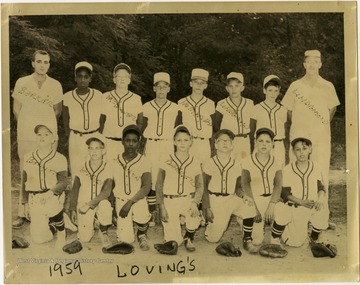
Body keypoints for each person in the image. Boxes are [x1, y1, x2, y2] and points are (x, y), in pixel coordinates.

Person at [12, 50, 63, 228]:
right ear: (33, 63)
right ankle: (22, 213)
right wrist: (27, 125)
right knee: (26, 172)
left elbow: (57, 111)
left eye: (46, 62)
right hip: (27, 136)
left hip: (48, 137)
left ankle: (48, 213)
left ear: (49, 64)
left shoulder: (55, 85)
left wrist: (45, 129)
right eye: (39, 61)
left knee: (48, 173)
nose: (43, 65)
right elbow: (16, 109)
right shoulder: (22, 82)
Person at [281, 50, 340, 192]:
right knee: (296, 169)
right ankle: (297, 207)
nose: (312, 64)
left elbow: (332, 109)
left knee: (320, 169)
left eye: (315, 61)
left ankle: (321, 209)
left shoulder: (327, 85)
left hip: (321, 137)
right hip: (299, 135)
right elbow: (288, 110)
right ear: (304, 64)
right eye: (309, 61)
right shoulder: (295, 86)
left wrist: (320, 125)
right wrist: (300, 123)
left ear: (320, 64)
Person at [202, 129, 258, 253]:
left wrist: (244, 196)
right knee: (213, 239)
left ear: (232, 145)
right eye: (221, 140)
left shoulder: (237, 164)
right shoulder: (209, 163)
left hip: (231, 198)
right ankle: (209, 225)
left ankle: (247, 239)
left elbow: (238, 188)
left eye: (227, 141)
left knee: (249, 205)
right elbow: (204, 188)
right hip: (215, 200)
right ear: (215, 144)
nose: (225, 143)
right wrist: (206, 207)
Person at [269, 137, 329, 247]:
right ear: (293, 152)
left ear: (310, 149)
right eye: (298, 150)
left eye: (304, 148)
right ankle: (275, 236)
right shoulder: (287, 169)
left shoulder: (316, 166)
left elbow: (321, 187)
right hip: (295, 207)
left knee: (323, 208)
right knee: (294, 243)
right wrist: (301, 202)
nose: (301, 153)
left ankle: (314, 238)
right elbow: (284, 193)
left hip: (311, 205)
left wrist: (320, 199)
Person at [156, 125, 203, 252]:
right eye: (179, 140)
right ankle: (176, 236)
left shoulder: (195, 161)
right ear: (174, 141)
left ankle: (189, 236)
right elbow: (159, 185)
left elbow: (199, 186)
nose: (182, 143)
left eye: (186, 140)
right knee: (174, 241)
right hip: (170, 200)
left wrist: (195, 203)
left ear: (191, 141)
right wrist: (161, 206)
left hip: (188, 199)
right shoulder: (165, 159)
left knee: (193, 218)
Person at [142, 72, 180, 226]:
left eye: (165, 87)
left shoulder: (175, 108)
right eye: (159, 87)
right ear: (154, 88)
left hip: (167, 144)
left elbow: (178, 129)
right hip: (151, 143)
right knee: (151, 177)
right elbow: (142, 126)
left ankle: (166, 210)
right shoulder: (146, 106)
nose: (161, 90)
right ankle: (152, 213)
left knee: (166, 176)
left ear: (169, 89)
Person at [21, 125, 67, 248]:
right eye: (39, 134)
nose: (42, 137)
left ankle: (62, 231)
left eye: (46, 134)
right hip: (34, 197)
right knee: (39, 239)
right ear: (35, 138)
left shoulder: (60, 158)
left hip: (53, 195)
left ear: (53, 139)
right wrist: (25, 203)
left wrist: (49, 194)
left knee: (51, 205)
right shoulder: (27, 157)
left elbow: (63, 182)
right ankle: (55, 225)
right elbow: (24, 182)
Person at [66, 135, 113, 250]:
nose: (94, 151)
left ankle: (103, 231)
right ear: (88, 150)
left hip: (99, 203)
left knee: (105, 205)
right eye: (91, 148)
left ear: (103, 150)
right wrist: (72, 209)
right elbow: (75, 190)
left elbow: (106, 192)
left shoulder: (109, 168)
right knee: (85, 238)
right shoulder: (81, 167)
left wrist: (89, 205)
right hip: (83, 203)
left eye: (97, 148)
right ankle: (91, 224)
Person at [112, 125, 151, 251]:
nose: (130, 144)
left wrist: (130, 202)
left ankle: (141, 234)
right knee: (126, 240)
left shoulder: (144, 161)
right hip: (121, 199)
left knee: (142, 213)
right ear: (122, 141)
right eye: (127, 140)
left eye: (134, 141)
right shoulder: (114, 160)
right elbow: (110, 184)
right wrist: (113, 205)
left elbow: (146, 187)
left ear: (139, 143)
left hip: (137, 199)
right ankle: (125, 229)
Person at [241, 128, 283, 245]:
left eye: (267, 141)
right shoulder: (247, 161)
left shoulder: (277, 161)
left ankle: (275, 239)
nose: (264, 144)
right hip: (255, 198)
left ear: (273, 144)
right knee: (257, 241)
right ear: (255, 142)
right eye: (260, 141)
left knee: (283, 209)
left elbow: (278, 184)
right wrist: (255, 208)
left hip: (271, 199)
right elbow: (245, 184)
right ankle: (247, 235)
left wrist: (272, 204)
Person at [63, 61, 103, 176]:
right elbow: (66, 120)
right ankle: (77, 193)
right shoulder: (67, 96)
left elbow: (102, 117)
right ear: (75, 78)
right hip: (76, 137)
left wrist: (99, 135)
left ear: (90, 78)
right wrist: (69, 135)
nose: (82, 80)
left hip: (94, 136)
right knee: (76, 169)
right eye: (80, 76)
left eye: (86, 77)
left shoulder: (98, 95)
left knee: (94, 168)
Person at [100, 63, 143, 161]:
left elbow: (140, 122)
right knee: (109, 174)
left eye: (125, 76)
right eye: (119, 76)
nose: (122, 79)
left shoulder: (136, 98)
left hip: (128, 144)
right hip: (109, 142)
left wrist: (135, 138)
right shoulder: (105, 97)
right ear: (114, 79)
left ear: (129, 79)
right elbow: (101, 121)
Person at [213, 72, 254, 160]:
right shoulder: (221, 104)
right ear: (227, 88)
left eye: (237, 86)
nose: (233, 89)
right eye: (231, 86)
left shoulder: (249, 103)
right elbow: (216, 125)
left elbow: (252, 125)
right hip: (228, 141)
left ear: (242, 88)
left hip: (244, 140)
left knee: (243, 169)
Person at [177, 68, 215, 162]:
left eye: (202, 82)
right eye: (196, 82)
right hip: (187, 143)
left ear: (206, 86)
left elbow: (215, 127)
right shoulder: (181, 102)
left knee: (203, 173)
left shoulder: (210, 103)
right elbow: (178, 125)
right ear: (191, 83)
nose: (198, 85)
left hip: (204, 143)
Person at [250, 75, 288, 166]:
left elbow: (286, 132)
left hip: (278, 145)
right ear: (264, 90)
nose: (273, 94)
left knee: (278, 174)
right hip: (261, 145)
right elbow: (252, 132)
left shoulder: (283, 110)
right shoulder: (256, 108)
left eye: (276, 91)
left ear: (279, 91)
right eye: (270, 90)